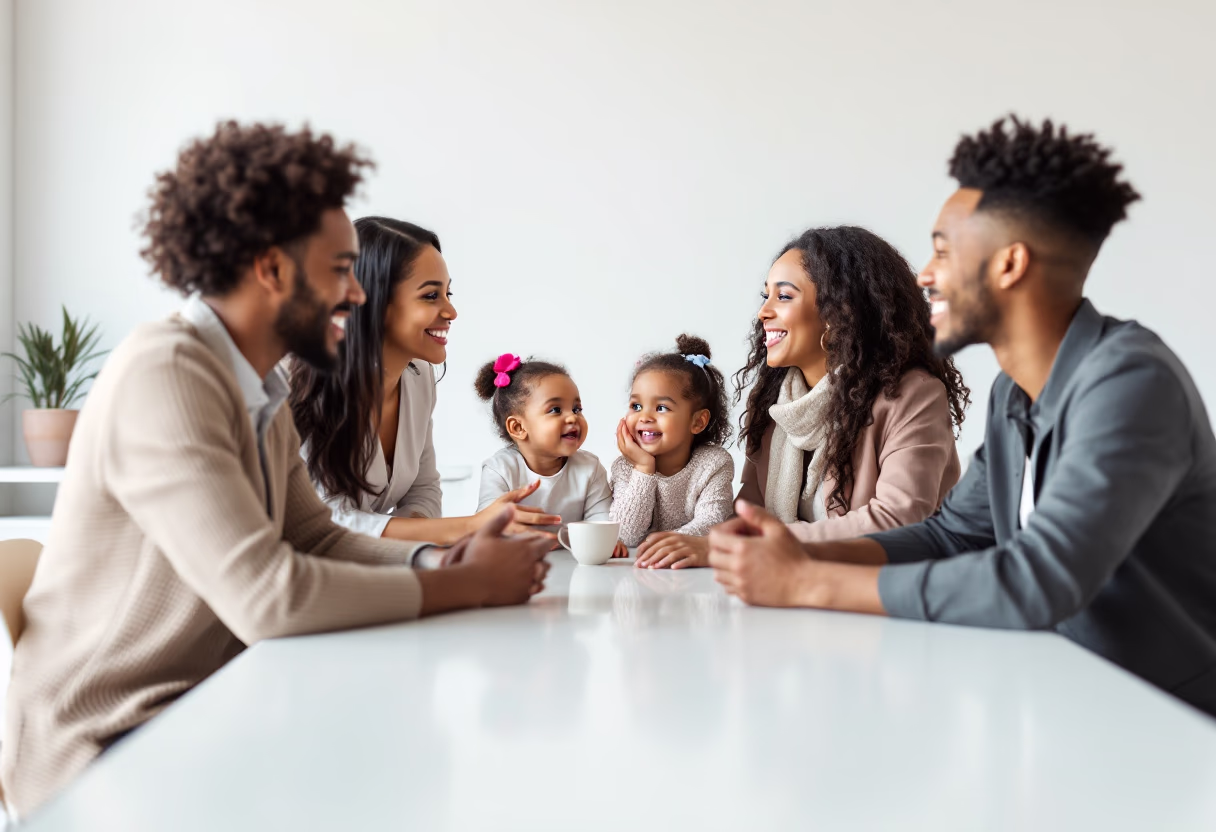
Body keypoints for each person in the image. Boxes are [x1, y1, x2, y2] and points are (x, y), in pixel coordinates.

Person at [0, 123, 553, 817]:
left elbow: (314, 537)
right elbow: (268, 598)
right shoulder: (167, 371)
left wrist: (439, 563)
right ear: (271, 271)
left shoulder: (260, 386)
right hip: (110, 744)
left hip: (210, 705)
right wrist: (462, 586)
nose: (356, 296)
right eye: (338, 271)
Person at [708, 116, 1216, 718]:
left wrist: (805, 584)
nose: (924, 273)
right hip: (1062, 701)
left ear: (1009, 264)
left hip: (1166, 722)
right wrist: (792, 551)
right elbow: (951, 535)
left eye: (943, 251)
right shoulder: (1012, 395)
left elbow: (1037, 578)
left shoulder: (1132, 382)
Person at [637, 226, 970, 568]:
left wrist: (740, 547)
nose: (763, 312)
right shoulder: (773, 403)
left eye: (783, 296)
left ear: (838, 313)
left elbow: (897, 522)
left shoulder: (913, 395)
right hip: (794, 591)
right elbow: (750, 509)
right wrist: (695, 537)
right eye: (765, 296)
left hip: (891, 595)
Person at [289, 216, 560, 544]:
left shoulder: (418, 377)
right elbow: (327, 520)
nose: (451, 311)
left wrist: (423, 541)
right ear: (374, 303)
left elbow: (423, 491)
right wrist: (470, 526)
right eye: (431, 296)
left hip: (369, 568)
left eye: (448, 293)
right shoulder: (305, 385)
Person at [475, 354, 627, 558]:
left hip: (575, 564)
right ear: (518, 427)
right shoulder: (500, 469)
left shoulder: (589, 467)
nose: (573, 417)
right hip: (518, 563)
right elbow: (486, 523)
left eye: (577, 409)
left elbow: (601, 517)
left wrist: (607, 539)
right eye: (555, 410)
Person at [612, 335, 734, 565]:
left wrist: (669, 542)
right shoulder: (626, 467)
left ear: (697, 422)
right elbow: (624, 535)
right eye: (636, 406)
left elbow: (713, 521)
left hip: (694, 574)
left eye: (661, 407)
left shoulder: (714, 464)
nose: (645, 417)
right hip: (640, 573)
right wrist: (643, 469)